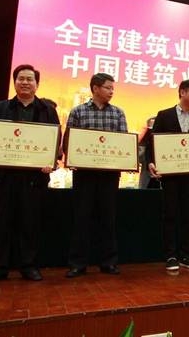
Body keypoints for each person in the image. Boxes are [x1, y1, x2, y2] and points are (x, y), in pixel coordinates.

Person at [0, 65, 60, 285]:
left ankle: (28, 266)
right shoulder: (0, 108)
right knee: (0, 223)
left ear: (37, 84)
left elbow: (55, 141)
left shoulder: (47, 110)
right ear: (15, 82)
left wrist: (51, 162)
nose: (25, 82)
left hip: (34, 179)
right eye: (21, 78)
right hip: (3, 177)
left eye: (30, 79)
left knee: (30, 223)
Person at [65, 73, 127, 278]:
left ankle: (108, 262)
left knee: (108, 219)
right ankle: (77, 264)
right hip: (84, 175)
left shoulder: (118, 113)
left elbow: (124, 143)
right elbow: (68, 142)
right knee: (81, 218)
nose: (111, 91)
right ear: (95, 88)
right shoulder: (78, 111)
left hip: (109, 175)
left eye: (113, 88)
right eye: (108, 88)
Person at [148, 80, 189, 271]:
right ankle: (171, 255)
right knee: (170, 214)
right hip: (170, 175)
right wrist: (151, 162)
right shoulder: (164, 115)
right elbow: (152, 142)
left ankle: (186, 255)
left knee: (188, 215)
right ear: (182, 92)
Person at [138, 117, 158, 189]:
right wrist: (143, 139)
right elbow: (139, 159)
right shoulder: (144, 141)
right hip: (147, 179)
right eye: (150, 127)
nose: (152, 130)